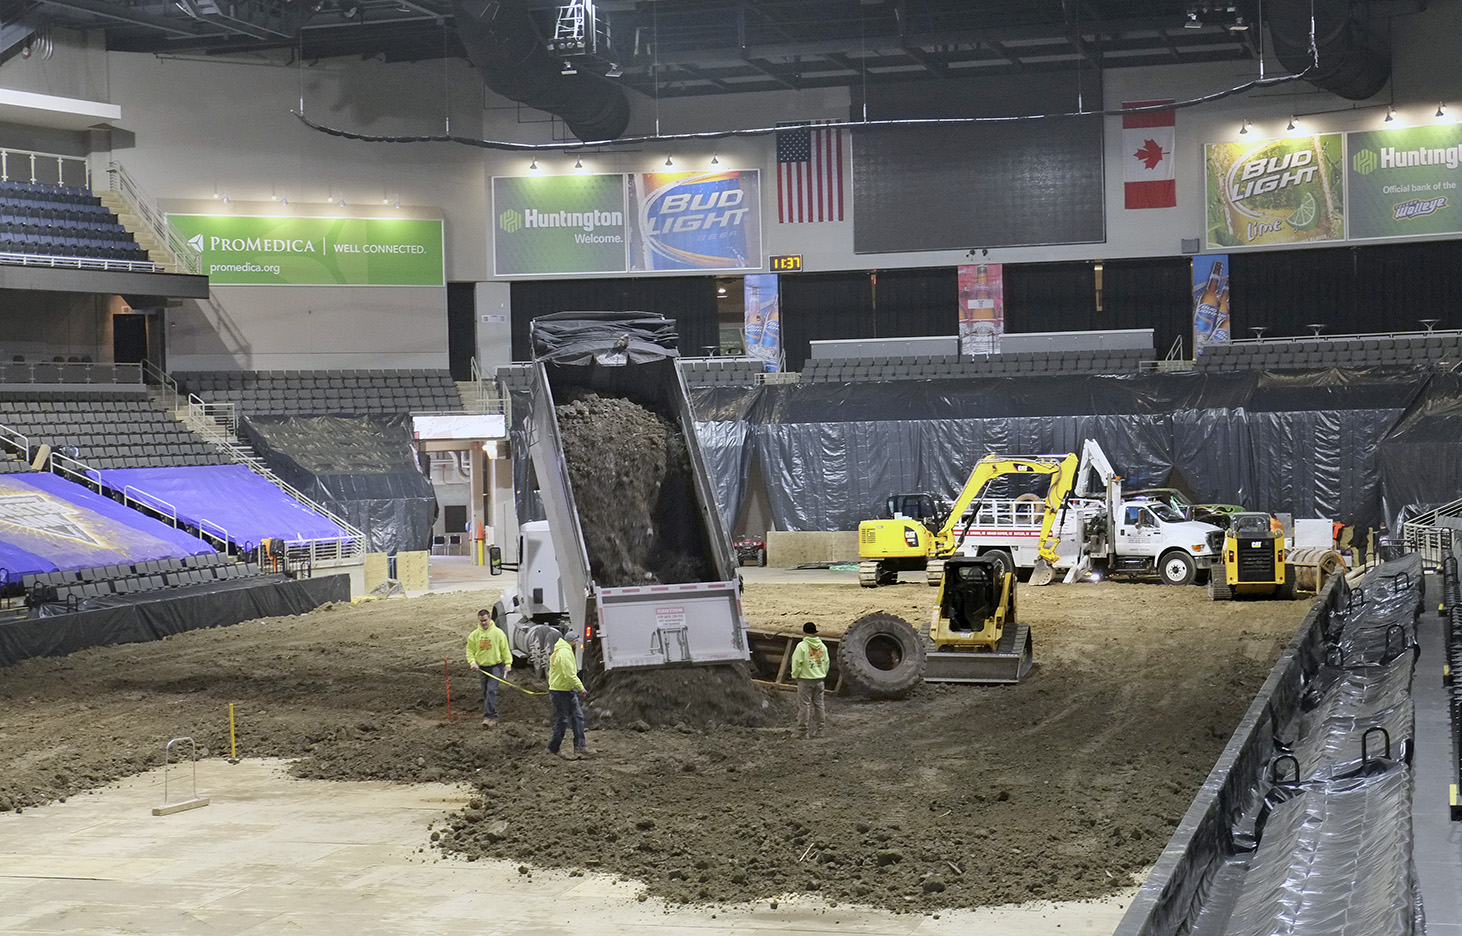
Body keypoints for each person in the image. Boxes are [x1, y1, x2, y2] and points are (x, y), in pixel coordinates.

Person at [547, 629, 595, 759]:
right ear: (572, 642)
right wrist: (581, 688)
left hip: (564, 690)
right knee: (563, 720)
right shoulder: (565, 653)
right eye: (576, 642)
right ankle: (553, 748)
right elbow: (569, 674)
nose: (577, 645)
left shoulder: (560, 651)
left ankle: (580, 746)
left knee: (577, 717)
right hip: (561, 692)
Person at [465, 609, 511, 727]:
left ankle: (489, 717)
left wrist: (508, 664)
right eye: (481, 621)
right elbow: (470, 650)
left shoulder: (498, 633)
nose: (484, 623)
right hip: (482, 668)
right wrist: (472, 662)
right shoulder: (474, 635)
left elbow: (505, 649)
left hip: (495, 666)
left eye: (485, 620)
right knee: (486, 692)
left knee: (491, 691)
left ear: (489, 618)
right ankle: (492, 715)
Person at [790, 621, 830, 739]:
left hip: (805, 680)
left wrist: (795, 675)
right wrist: (822, 673)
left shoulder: (802, 646)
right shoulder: (822, 646)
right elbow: (826, 662)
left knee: (804, 705)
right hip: (820, 679)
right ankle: (820, 730)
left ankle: (802, 731)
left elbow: (796, 662)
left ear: (804, 632)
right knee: (819, 705)